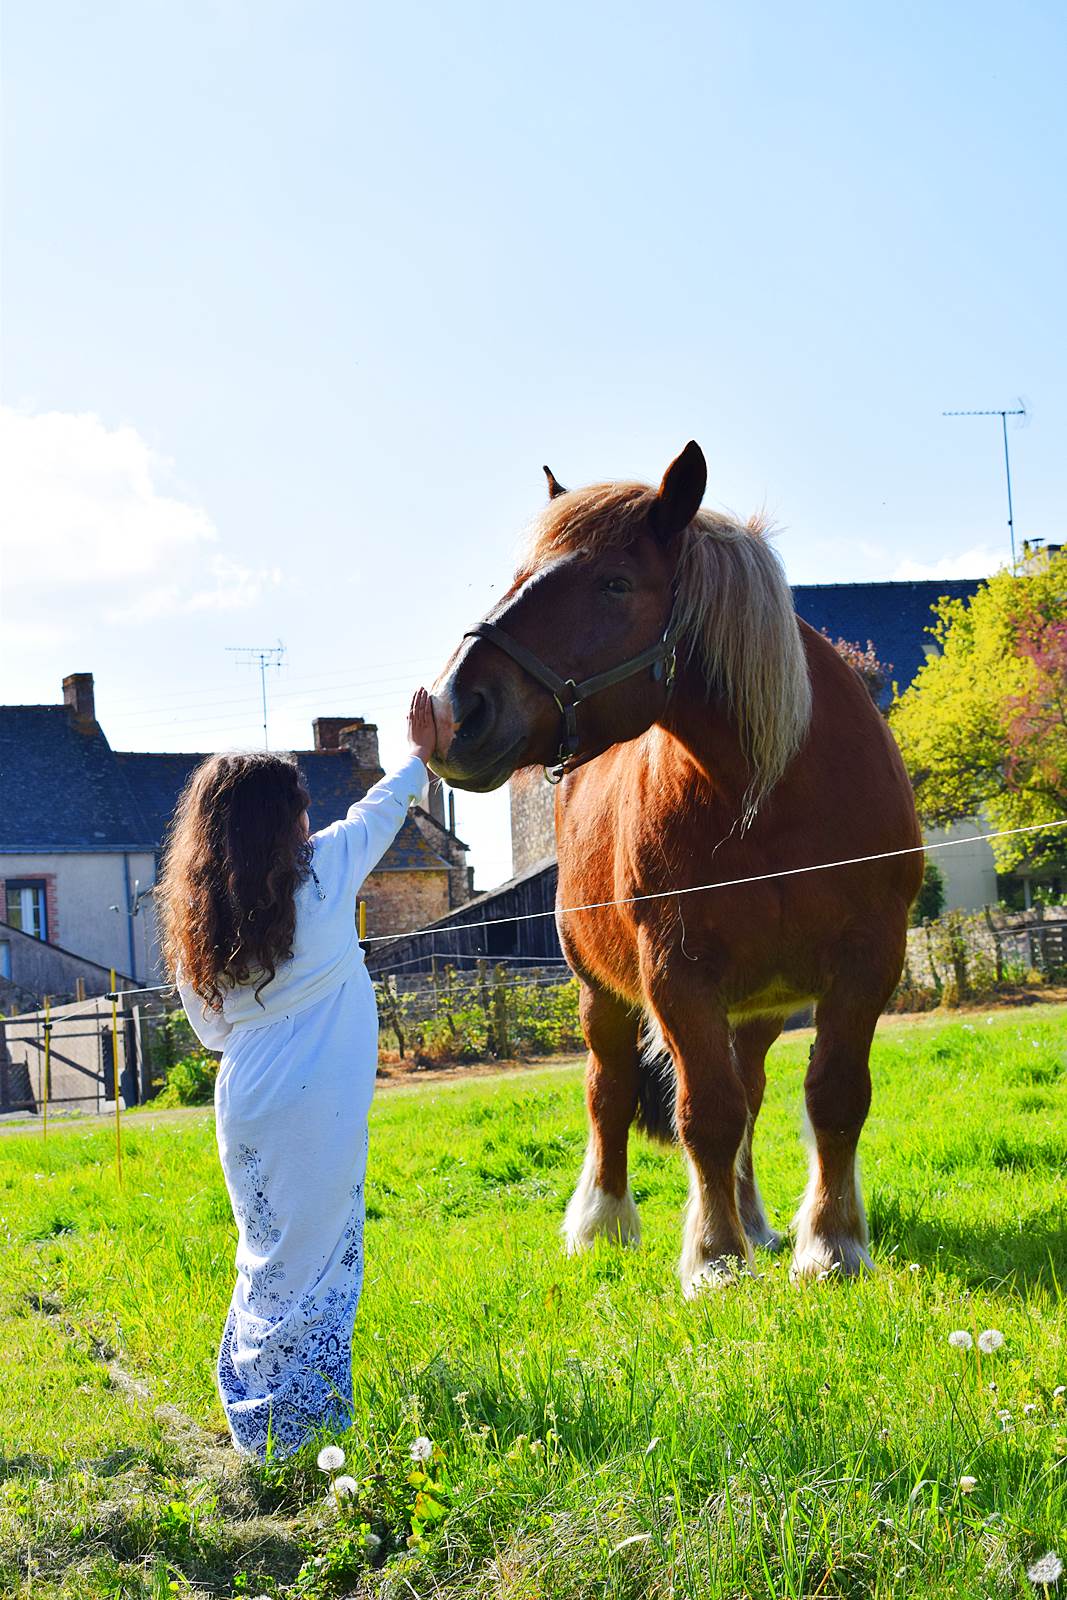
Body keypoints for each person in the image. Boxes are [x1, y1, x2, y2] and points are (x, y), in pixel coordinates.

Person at [158, 688, 445, 1458]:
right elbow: (383, 809)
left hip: (246, 1097)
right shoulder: (326, 872)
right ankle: (300, 1435)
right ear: (283, 821)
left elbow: (211, 1032)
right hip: (319, 1106)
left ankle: (256, 1415)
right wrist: (421, 752)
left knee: (267, 1254)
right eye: (300, 810)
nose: (309, 823)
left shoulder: (199, 914)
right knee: (317, 1265)